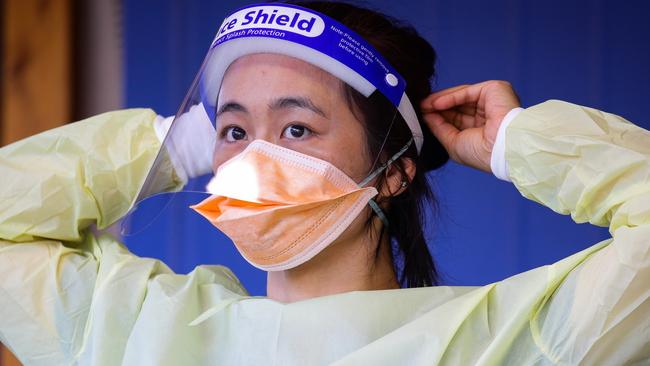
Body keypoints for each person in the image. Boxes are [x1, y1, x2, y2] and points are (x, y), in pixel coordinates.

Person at [1, 1, 648, 365]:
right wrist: (176, 144)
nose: (255, 161)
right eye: (234, 133)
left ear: (393, 172)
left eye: (296, 130)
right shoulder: (135, 330)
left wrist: (518, 143)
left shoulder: (501, 344)